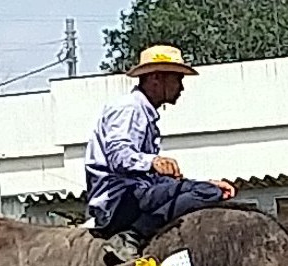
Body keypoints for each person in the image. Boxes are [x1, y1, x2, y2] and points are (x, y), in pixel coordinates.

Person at [84, 45, 236, 255]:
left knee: (203, 189)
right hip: (119, 202)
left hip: (135, 194)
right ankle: (132, 236)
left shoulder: (142, 112)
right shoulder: (129, 108)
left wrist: (197, 183)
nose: (181, 88)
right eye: (177, 79)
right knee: (207, 192)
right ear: (156, 77)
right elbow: (119, 156)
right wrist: (153, 162)